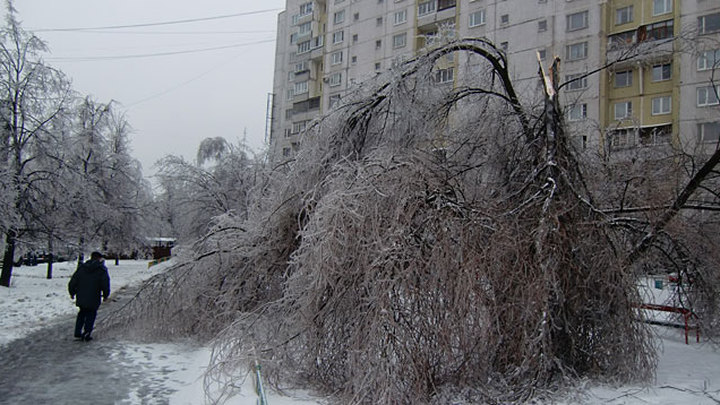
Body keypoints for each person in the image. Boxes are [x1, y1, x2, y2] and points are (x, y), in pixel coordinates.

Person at [68, 251, 110, 341]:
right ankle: (87, 332)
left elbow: (73, 281)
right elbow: (105, 283)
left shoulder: (81, 268)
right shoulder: (101, 270)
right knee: (91, 313)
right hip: (94, 296)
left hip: (81, 295)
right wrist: (106, 294)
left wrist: (72, 292)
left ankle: (77, 332)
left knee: (82, 313)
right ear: (99, 258)